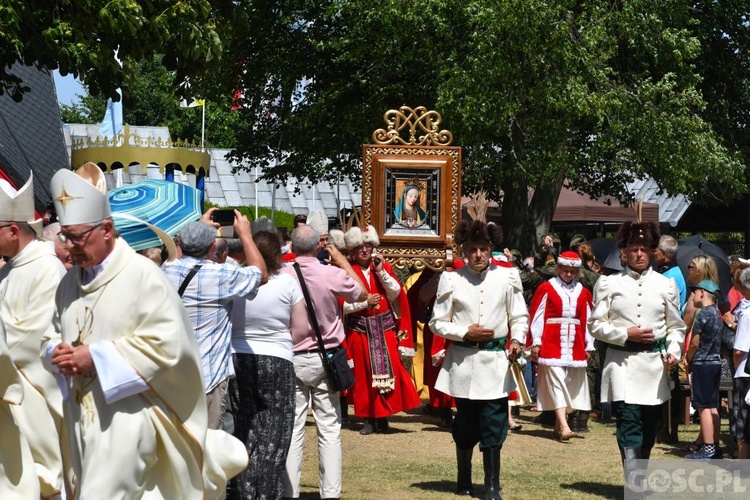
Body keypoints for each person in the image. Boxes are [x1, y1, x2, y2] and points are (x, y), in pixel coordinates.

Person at [42, 164, 247, 498]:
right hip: (81, 415)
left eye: (78, 236)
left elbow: (169, 346)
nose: (70, 246)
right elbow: (50, 333)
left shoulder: (143, 277)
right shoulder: (68, 284)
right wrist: (56, 352)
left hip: (130, 417)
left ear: (107, 229)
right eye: (66, 236)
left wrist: (94, 357)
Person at [429, 219, 529, 500]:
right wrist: (464, 331)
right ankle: (464, 477)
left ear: (491, 249)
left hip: (495, 363)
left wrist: (518, 340)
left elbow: (519, 316)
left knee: (495, 421)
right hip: (463, 362)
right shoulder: (452, 278)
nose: (478, 255)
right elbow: (437, 323)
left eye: (483, 249)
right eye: (472, 249)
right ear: (464, 250)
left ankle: (492, 485)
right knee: (466, 423)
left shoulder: (508, 277)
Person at [588, 221, 685, 469]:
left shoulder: (666, 285)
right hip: (621, 365)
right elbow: (595, 325)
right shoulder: (609, 284)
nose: (639, 254)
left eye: (643, 249)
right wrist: (624, 334)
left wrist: (674, 352)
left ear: (652, 251)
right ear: (624, 252)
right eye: (633, 249)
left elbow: (676, 327)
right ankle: (635, 488)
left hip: (653, 368)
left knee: (648, 428)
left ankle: (639, 475)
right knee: (629, 424)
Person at [281, 224, 366, 500]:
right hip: (325, 357)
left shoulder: (281, 275)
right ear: (318, 245)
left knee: (293, 429)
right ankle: (330, 494)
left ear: (292, 248)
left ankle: (289, 491)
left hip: (291, 355)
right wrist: (342, 260)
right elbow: (362, 292)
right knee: (329, 429)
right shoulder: (331, 273)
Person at [163, 214, 267, 430]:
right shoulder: (223, 274)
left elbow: (177, 254)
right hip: (209, 374)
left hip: (172, 372)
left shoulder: (167, 269)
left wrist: (197, 227)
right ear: (213, 247)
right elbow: (260, 274)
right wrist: (245, 235)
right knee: (208, 446)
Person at [0, 173, 67, 497]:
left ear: (14, 230)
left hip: (32, 395)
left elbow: (31, 338)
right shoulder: (8, 268)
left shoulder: (46, 268)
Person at [229, 231, 308, 499]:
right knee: (276, 432)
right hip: (277, 357)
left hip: (239, 355)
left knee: (244, 427)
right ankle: (266, 491)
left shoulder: (235, 279)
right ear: (277, 256)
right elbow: (301, 328)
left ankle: (244, 489)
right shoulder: (287, 283)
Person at [341, 225, 421, 435]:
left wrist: (381, 271)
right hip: (359, 330)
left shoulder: (383, 268)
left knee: (390, 370)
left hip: (384, 329)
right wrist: (363, 305)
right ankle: (368, 418)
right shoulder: (346, 270)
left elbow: (395, 293)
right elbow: (341, 304)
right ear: (352, 251)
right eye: (360, 247)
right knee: (364, 375)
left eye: (368, 246)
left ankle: (384, 415)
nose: (364, 251)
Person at [527, 251, 594, 442]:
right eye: (565, 270)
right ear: (558, 268)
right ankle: (564, 425)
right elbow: (537, 316)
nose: (569, 274)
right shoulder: (546, 288)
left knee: (570, 383)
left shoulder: (583, 292)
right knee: (556, 380)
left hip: (575, 342)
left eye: (573, 271)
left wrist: (589, 344)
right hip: (551, 340)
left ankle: (558, 426)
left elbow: (587, 319)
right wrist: (536, 341)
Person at [684, 279, 723, 459]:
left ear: (701, 293)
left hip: (702, 364)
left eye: (694, 292)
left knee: (703, 408)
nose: (693, 296)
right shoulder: (717, 313)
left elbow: (694, 342)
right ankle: (713, 445)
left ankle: (708, 449)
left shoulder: (703, 314)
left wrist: (688, 358)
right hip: (715, 362)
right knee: (712, 406)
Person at [732, 267, 750, 459]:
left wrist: (737, 367)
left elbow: (739, 350)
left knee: (743, 421)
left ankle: (743, 461)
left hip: (745, 372)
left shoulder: (746, 314)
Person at [653, 235, 687, 311]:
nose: (652, 253)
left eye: (655, 251)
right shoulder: (667, 271)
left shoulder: (672, 276)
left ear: (663, 254)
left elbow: (672, 310)